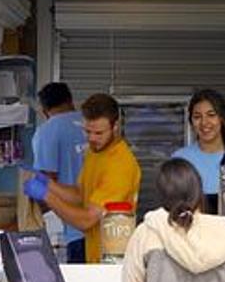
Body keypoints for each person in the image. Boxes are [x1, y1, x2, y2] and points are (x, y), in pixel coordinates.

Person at [24, 93, 141, 263]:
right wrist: (49, 184)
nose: (92, 139)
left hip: (113, 263)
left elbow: (87, 220)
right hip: (93, 256)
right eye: (87, 131)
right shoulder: (95, 152)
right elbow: (80, 195)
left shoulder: (120, 165)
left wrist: (47, 196)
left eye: (99, 133)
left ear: (115, 126)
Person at [171, 88, 225, 215]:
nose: (204, 123)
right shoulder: (180, 159)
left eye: (211, 115)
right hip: (190, 233)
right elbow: (170, 207)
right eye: (197, 117)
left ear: (222, 118)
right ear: (191, 121)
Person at [31, 81, 87, 263]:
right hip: (107, 225)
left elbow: (47, 179)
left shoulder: (46, 132)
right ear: (70, 100)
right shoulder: (92, 125)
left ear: (44, 109)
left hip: (74, 228)